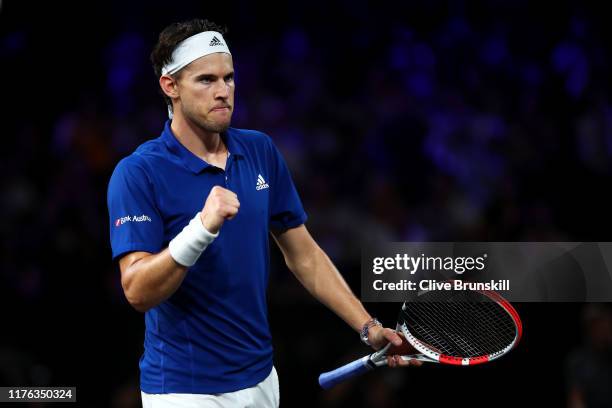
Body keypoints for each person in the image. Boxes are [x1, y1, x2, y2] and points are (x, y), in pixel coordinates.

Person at [107, 18, 418, 408]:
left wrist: (367, 326)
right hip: (185, 390)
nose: (223, 92)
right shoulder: (138, 172)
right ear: (170, 87)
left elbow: (304, 255)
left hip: (261, 381)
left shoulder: (259, 151)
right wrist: (200, 229)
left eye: (229, 78)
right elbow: (136, 291)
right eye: (206, 80)